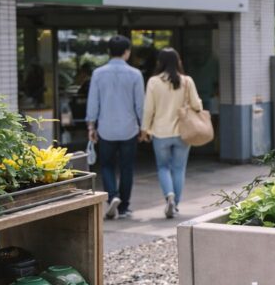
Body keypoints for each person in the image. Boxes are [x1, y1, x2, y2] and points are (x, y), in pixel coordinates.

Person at [86, 35, 145, 219]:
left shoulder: (98, 73)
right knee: (127, 168)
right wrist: (144, 127)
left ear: (108, 52)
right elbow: (140, 105)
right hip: (129, 128)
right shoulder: (135, 74)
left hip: (106, 128)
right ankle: (124, 207)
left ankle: (112, 196)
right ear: (127, 52)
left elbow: (93, 102)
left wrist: (91, 126)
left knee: (106, 166)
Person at [141, 47, 202, 218]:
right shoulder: (187, 81)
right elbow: (197, 105)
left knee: (163, 167)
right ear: (178, 61)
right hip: (183, 133)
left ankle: (169, 195)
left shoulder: (153, 82)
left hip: (160, 133)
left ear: (159, 62)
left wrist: (144, 129)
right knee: (179, 169)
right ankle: (175, 205)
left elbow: (148, 109)